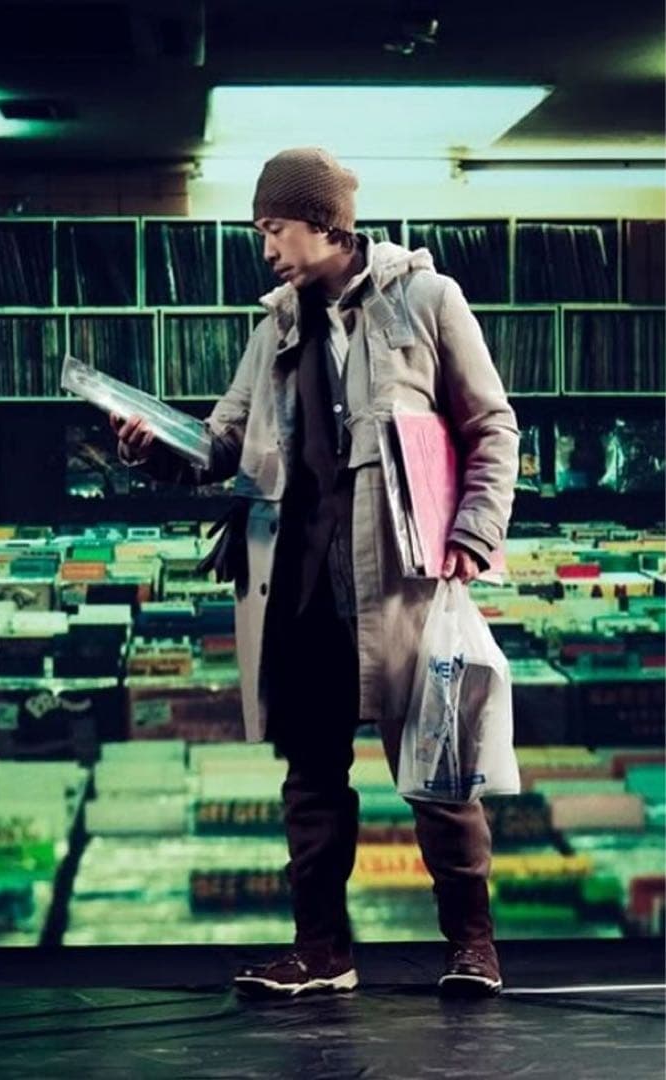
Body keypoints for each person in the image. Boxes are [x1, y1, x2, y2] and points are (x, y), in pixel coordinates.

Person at [111, 147, 519, 999]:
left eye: (275, 227)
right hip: (297, 590)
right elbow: (222, 445)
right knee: (310, 782)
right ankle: (322, 953)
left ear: (325, 223)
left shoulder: (427, 300)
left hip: (402, 589)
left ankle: (471, 946)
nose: (266, 248)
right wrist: (155, 447)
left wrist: (476, 531)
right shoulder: (274, 329)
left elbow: (491, 427)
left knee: (439, 774)